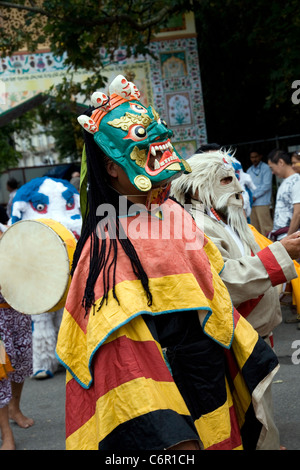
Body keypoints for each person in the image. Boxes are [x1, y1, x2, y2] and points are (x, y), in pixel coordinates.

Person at [56, 75, 280, 451]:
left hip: (206, 373)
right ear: (112, 167)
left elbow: (217, 289)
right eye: (144, 149)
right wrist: (167, 432)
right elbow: (122, 351)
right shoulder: (107, 242)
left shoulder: (174, 213)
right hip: (157, 385)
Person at [170, 149, 300, 449]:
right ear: (196, 187)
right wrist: (283, 253)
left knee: (259, 405)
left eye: (235, 179)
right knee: (245, 410)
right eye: (227, 180)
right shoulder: (194, 227)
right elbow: (222, 281)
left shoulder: (228, 218)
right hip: (231, 341)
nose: (239, 189)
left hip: (255, 334)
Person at [0, 292, 34, 450]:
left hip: (19, 307)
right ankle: (6, 433)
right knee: (1, 370)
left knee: (22, 360)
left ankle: (14, 408)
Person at [267, 149, 300, 241]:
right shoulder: (286, 182)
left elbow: (298, 213)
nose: (272, 172)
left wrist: (288, 238)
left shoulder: (297, 180)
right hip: (282, 236)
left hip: (289, 237)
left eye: (272, 168)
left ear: (281, 162)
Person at [246, 150, 273, 236]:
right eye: (252, 157)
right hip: (252, 204)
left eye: (256, 157)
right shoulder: (249, 170)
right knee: (255, 228)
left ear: (260, 156)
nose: (254, 159)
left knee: (266, 227)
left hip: (262, 202)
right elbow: (247, 186)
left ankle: (271, 246)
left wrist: (254, 196)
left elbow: (267, 185)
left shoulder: (266, 168)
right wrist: (250, 197)